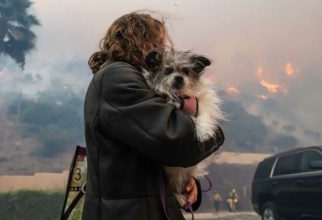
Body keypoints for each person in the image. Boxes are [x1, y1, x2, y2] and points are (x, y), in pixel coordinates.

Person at [81, 12, 224, 220]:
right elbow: (175, 139)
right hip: (131, 212)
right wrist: (215, 132)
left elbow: (150, 147)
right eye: (159, 42)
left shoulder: (125, 77)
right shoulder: (118, 77)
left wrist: (182, 181)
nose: (163, 49)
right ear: (142, 39)